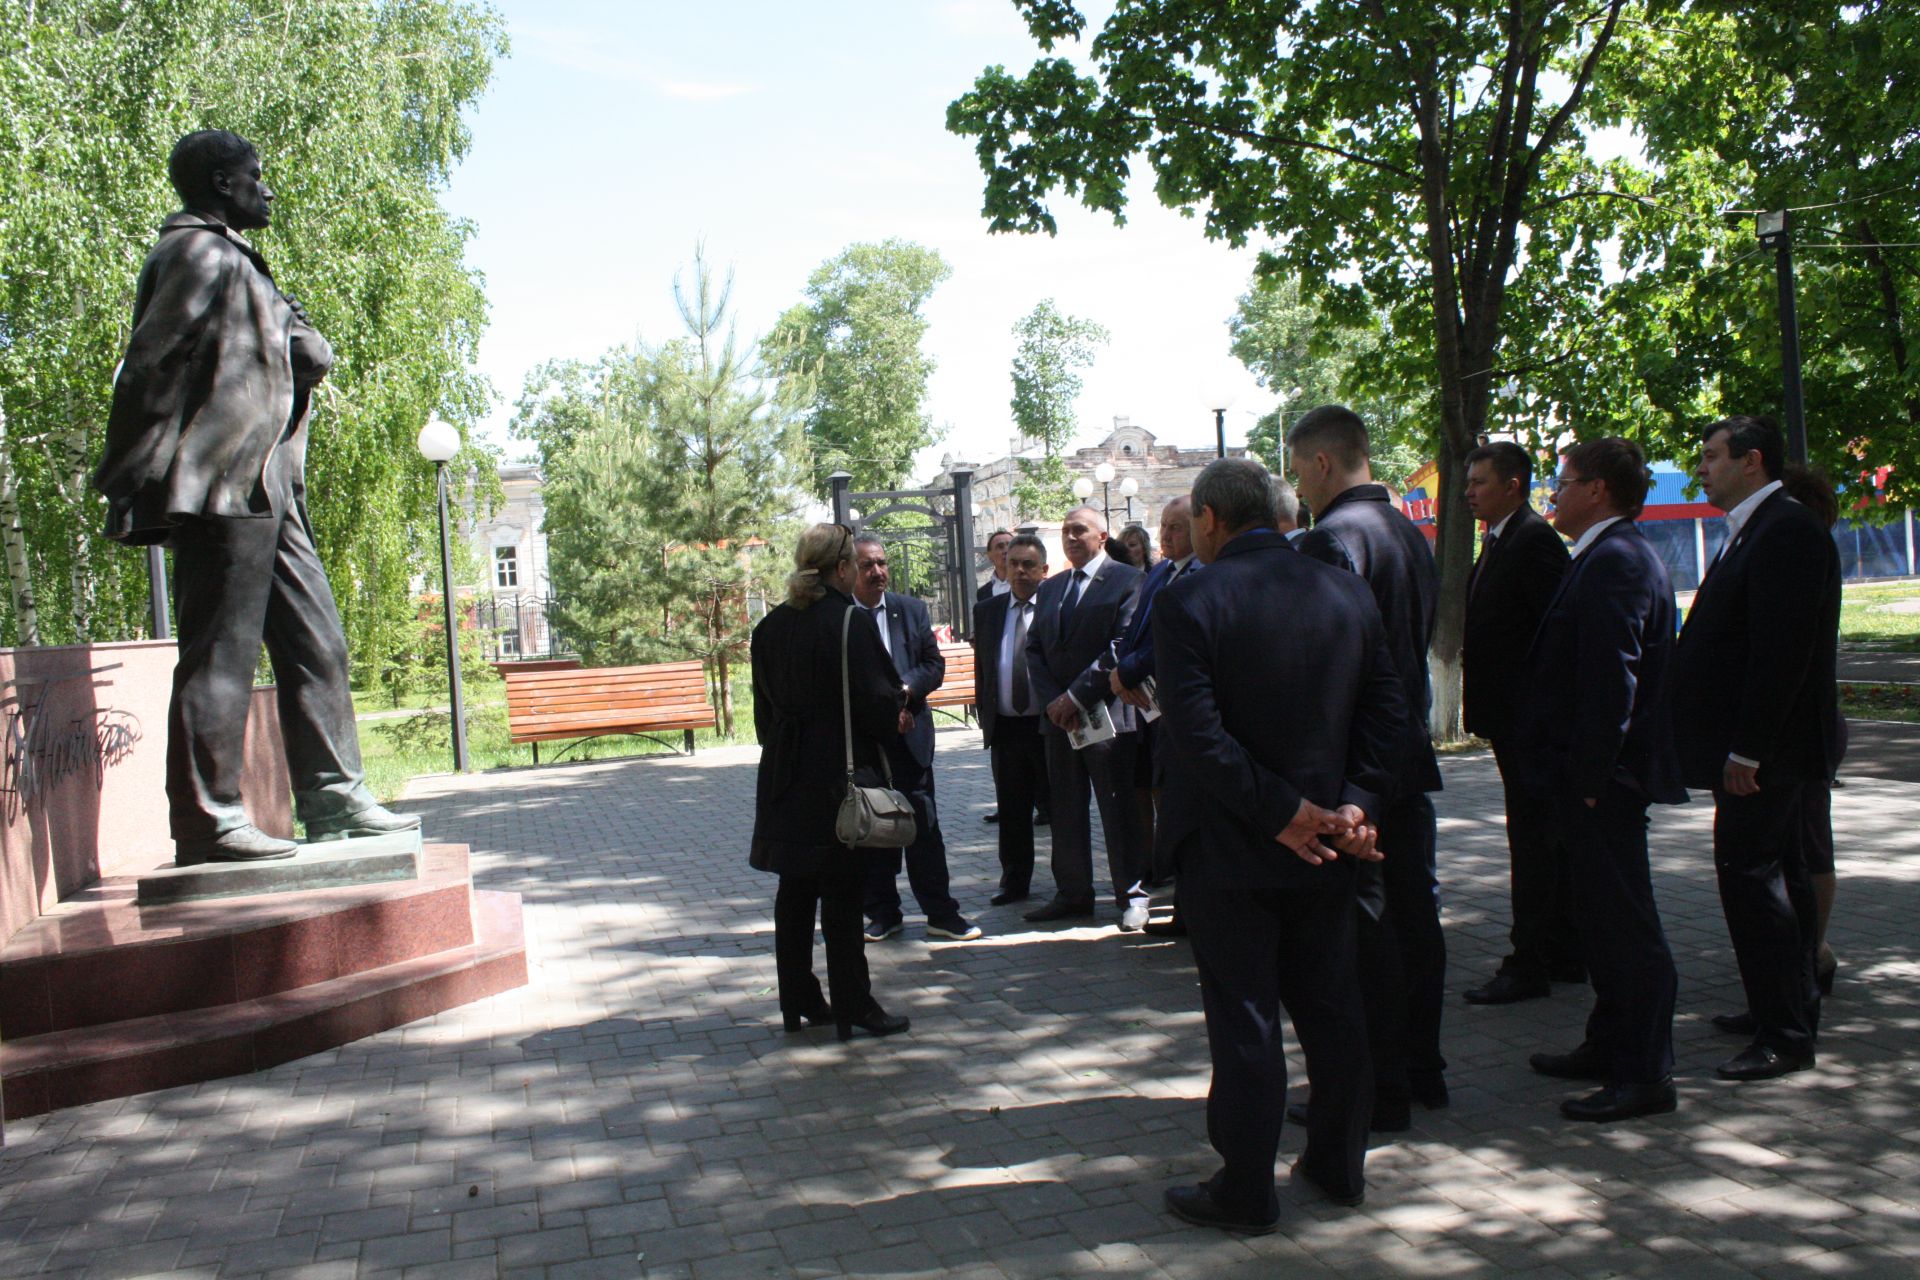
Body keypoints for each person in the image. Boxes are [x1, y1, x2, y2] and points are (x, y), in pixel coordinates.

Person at [93, 130, 417, 866]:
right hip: (223, 484)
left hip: (269, 483)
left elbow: (298, 354)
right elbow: (147, 365)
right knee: (220, 657)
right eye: (254, 177)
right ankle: (208, 821)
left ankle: (333, 796)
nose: (267, 189)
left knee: (318, 642)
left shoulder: (238, 259)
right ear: (221, 183)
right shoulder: (195, 253)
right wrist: (128, 472)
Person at [1154, 458, 1407, 1232]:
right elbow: (1389, 711)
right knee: (1332, 1008)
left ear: (1207, 519)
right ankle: (1339, 1165)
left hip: (1237, 848)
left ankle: (1245, 1189)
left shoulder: (1191, 596)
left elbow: (1197, 735)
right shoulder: (1343, 588)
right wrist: (1354, 808)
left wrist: (1287, 813)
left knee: (1246, 1019)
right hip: (1325, 845)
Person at [1514, 439, 1688, 1122]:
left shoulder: (1616, 561)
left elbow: (1611, 683)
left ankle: (1646, 1074)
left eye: (1563, 481)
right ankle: (1610, 1043)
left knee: (1625, 928)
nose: (1553, 493)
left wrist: (1589, 780)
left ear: (1599, 490)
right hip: (1591, 781)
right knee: (1599, 920)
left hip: (1603, 785)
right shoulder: (1604, 556)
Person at [1287, 405, 1448, 1127]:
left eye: (1297, 469)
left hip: (1355, 778)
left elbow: (1326, 673)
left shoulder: (1331, 540)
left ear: (1322, 462)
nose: (1297, 487)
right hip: (1406, 761)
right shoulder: (1407, 532)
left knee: (1363, 934)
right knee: (1415, 918)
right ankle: (1421, 1069)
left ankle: (1374, 1089)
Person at [1672, 416, 1842, 1081]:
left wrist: (1748, 752)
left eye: (1713, 456)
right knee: (1780, 878)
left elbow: (1782, 655)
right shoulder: (1759, 529)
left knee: (1756, 881)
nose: (1704, 467)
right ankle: (1782, 1007)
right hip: (1757, 751)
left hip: (1768, 756)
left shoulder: (1785, 530)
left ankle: (1785, 1032)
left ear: (1753, 462)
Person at [749, 524, 911, 1041]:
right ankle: (853, 1004)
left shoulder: (770, 626)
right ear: (842, 568)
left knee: (793, 892)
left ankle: (798, 1000)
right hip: (837, 779)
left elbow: (762, 717)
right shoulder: (849, 622)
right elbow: (880, 703)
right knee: (842, 895)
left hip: (783, 773)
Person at [1459, 441, 1578, 1004]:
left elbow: (1553, 636)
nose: (1468, 493)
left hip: (1533, 725)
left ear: (1512, 484)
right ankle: (1561, 949)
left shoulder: (1533, 542)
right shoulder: (1501, 539)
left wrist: (1536, 710)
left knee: (1535, 841)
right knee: (1535, 838)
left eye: (1479, 483)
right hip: (1513, 722)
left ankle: (1533, 958)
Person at [1023, 505, 1149, 928]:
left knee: (1118, 809)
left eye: (1080, 530)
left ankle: (1131, 893)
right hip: (1059, 723)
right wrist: (1054, 702)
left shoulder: (1128, 580)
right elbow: (1034, 648)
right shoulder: (1053, 586)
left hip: (1107, 717)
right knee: (1065, 808)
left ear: (1102, 534)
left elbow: (1121, 646)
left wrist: (1075, 698)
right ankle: (1073, 892)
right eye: (1065, 531)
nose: (1071, 537)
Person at [849, 534, 979, 943]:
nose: (878, 572)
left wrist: (905, 692)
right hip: (868, 744)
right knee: (874, 829)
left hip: (911, 740)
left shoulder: (911, 610)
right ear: (850, 571)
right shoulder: (843, 619)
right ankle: (883, 913)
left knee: (924, 828)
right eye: (868, 565)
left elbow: (931, 665)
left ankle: (941, 913)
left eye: (882, 563)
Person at [1110, 497, 1198, 936]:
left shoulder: (1203, 573)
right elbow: (1137, 631)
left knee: (1180, 806)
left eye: (1176, 527)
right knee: (1147, 790)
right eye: (1163, 527)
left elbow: (1171, 641)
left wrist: (1128, 669)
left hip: (1180, 711)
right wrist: (1124, 672)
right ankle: (1170, 892)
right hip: (1144, 710)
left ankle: (1189, 906)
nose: (1166, 537)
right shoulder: (1161, 572)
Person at [1778, 463, 1845, 998]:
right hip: (1802, 725)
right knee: (1798, 844)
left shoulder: (1804, 549)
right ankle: (1802, 955)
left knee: (1809, 845)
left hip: (1802, 728)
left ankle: (1813, 953)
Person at [973, 534, 1051, 906]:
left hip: (1050, 727)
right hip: (1006, 727)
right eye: (1013, 563)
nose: (1019, 570)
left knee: (1059, 808)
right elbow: (984, 667)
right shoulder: (988, 610)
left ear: (1043, 571)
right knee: (1012, 809)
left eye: (1028, 564)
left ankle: (1072, 883)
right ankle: (1014, 881)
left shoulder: (1056, 606)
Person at [977, 529, 1014, 602]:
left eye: (1010, 546)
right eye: (1000, 547)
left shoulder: (1027, 585)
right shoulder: (983, 593)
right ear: (989, 555)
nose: (1006, 551)